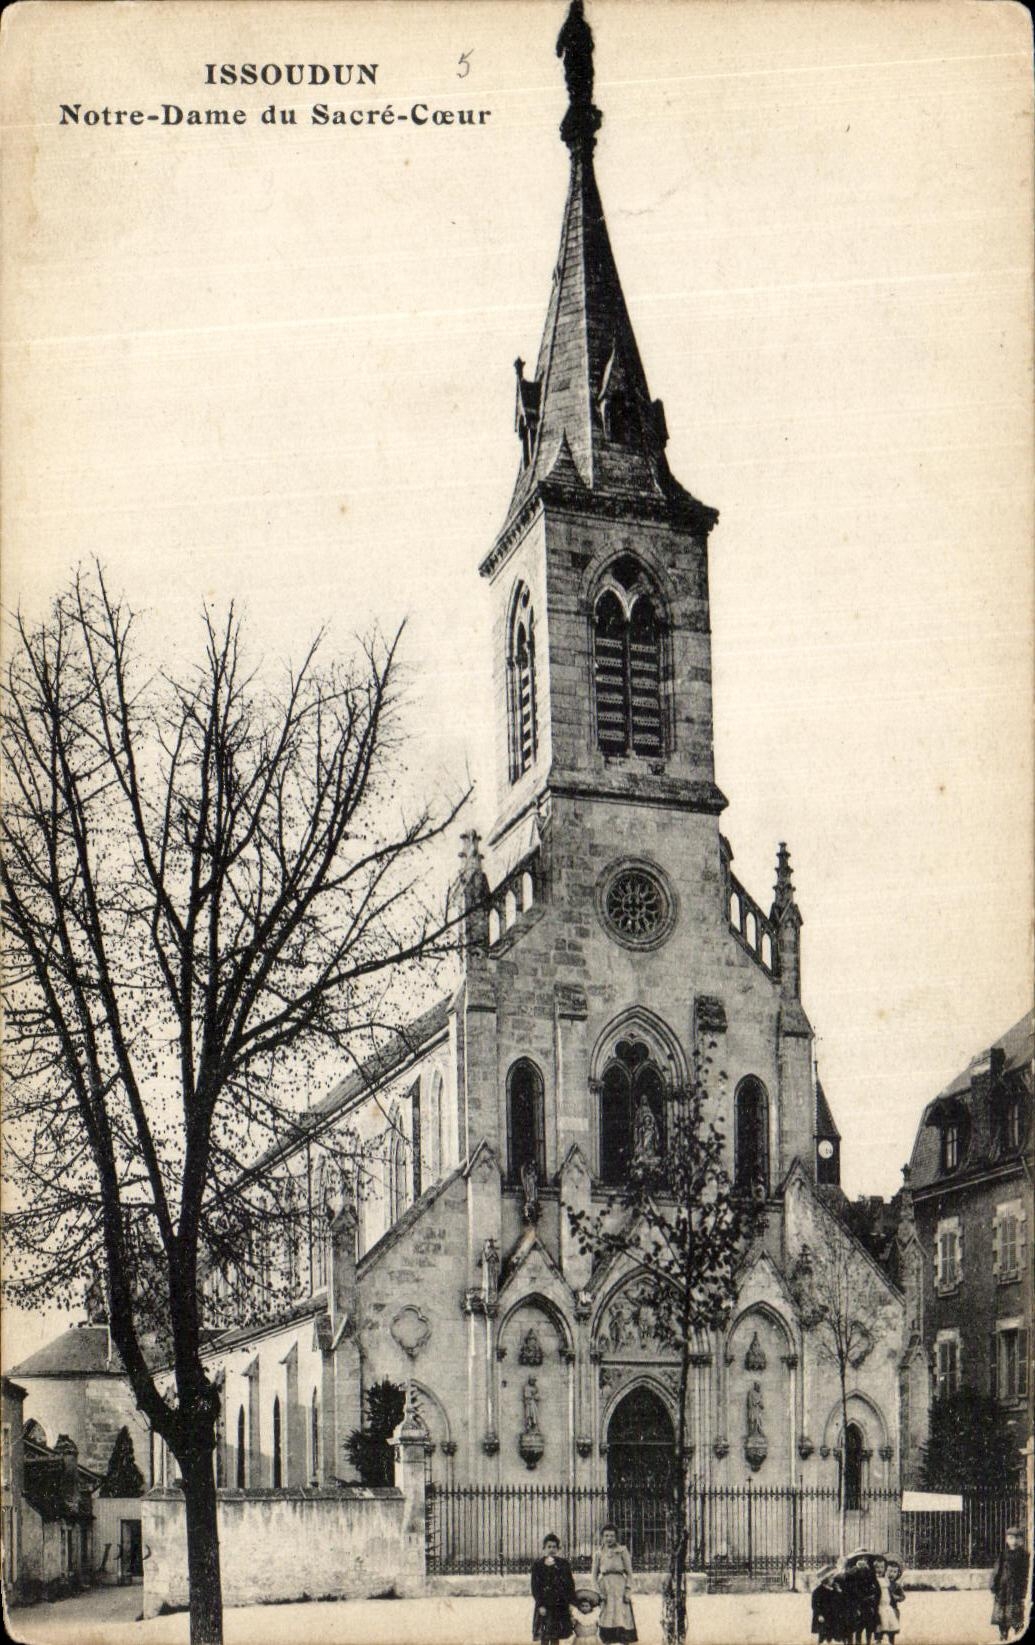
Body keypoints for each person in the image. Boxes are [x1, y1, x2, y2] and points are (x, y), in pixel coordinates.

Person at [591, 1523, 637, 1644]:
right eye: (606, 1536)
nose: (609, 1538)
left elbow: (630, 1574)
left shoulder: (622, 1551)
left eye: (612, 1535)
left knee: (622, 1617)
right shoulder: (598, 1554)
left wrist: (628, 1591)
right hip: (605, 1588)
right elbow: (593, 1577)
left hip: (620, 1588)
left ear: (616, 1537)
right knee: (606, 1616)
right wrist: (598, 1593)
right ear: (602, 1537)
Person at [531, 1533, 576, 1645]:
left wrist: (571, 1602)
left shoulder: (563, 1564)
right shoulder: (538, 1565)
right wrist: (540, 1604)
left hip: (559, 1604)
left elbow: (570, 1584)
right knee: (545, 1634)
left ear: (558, 1549)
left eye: (554, 1547)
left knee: (556, 1635)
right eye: (549, 1547)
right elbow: (535, 1587)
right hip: (545, 1605)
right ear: (544, 1548)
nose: (551, 1549)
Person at [990, 1526, 1028, 1642]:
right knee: (1002, 1615)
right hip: (1003, 1588)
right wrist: (994, 1585)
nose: (1014, 1541)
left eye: (1017, 1538)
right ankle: (1003, 1634)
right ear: (1007, 1540)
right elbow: (997, 1570)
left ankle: (1018, 1634)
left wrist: (1024, 1589)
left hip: (1016, 1589)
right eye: (1011, 1538)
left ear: (1022, 1540)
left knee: (1016, 1614)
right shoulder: (1003, 1554)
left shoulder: (1024, 1555)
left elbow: (1025, 1573)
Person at [811, 1564, 844, 1643]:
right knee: (823, 1636)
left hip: (833, 1616)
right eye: (831, 1578)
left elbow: (840, 1602)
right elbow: (815, 1605)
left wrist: (839, 1592)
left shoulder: (834, 1589)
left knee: (833, 1636)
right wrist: (819, 1615)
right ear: (826, 1579)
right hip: (824, 1617)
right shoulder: (818, 1591)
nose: (833, 1579)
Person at [873, 1557, 901, 1643]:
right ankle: (878, 1640)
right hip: (879, 1605)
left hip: (888, 1606)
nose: (879, 1569)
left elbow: (898, 1594)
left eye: (882, 1567)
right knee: (879, 1623)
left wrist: (896, 1597)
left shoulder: (888, 1581)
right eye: (877, 1567)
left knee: (890, 1624)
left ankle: (891, 1641)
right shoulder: (874, 1579)